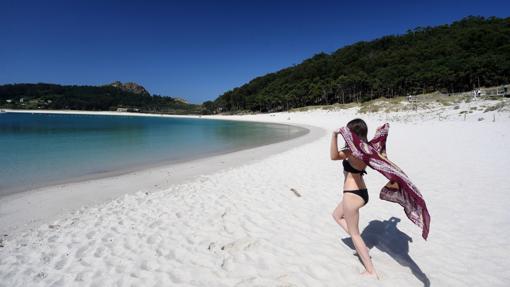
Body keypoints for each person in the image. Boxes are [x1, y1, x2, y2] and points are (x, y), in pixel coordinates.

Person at [330, 118, 378, 278]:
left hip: (351, 195)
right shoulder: (367, 149)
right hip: (362, 193)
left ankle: (370, 270)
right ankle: (360, 244)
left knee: (355, 234)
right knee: (336, 215)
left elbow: (334, 156)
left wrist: (334, 135)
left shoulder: (352, 151)